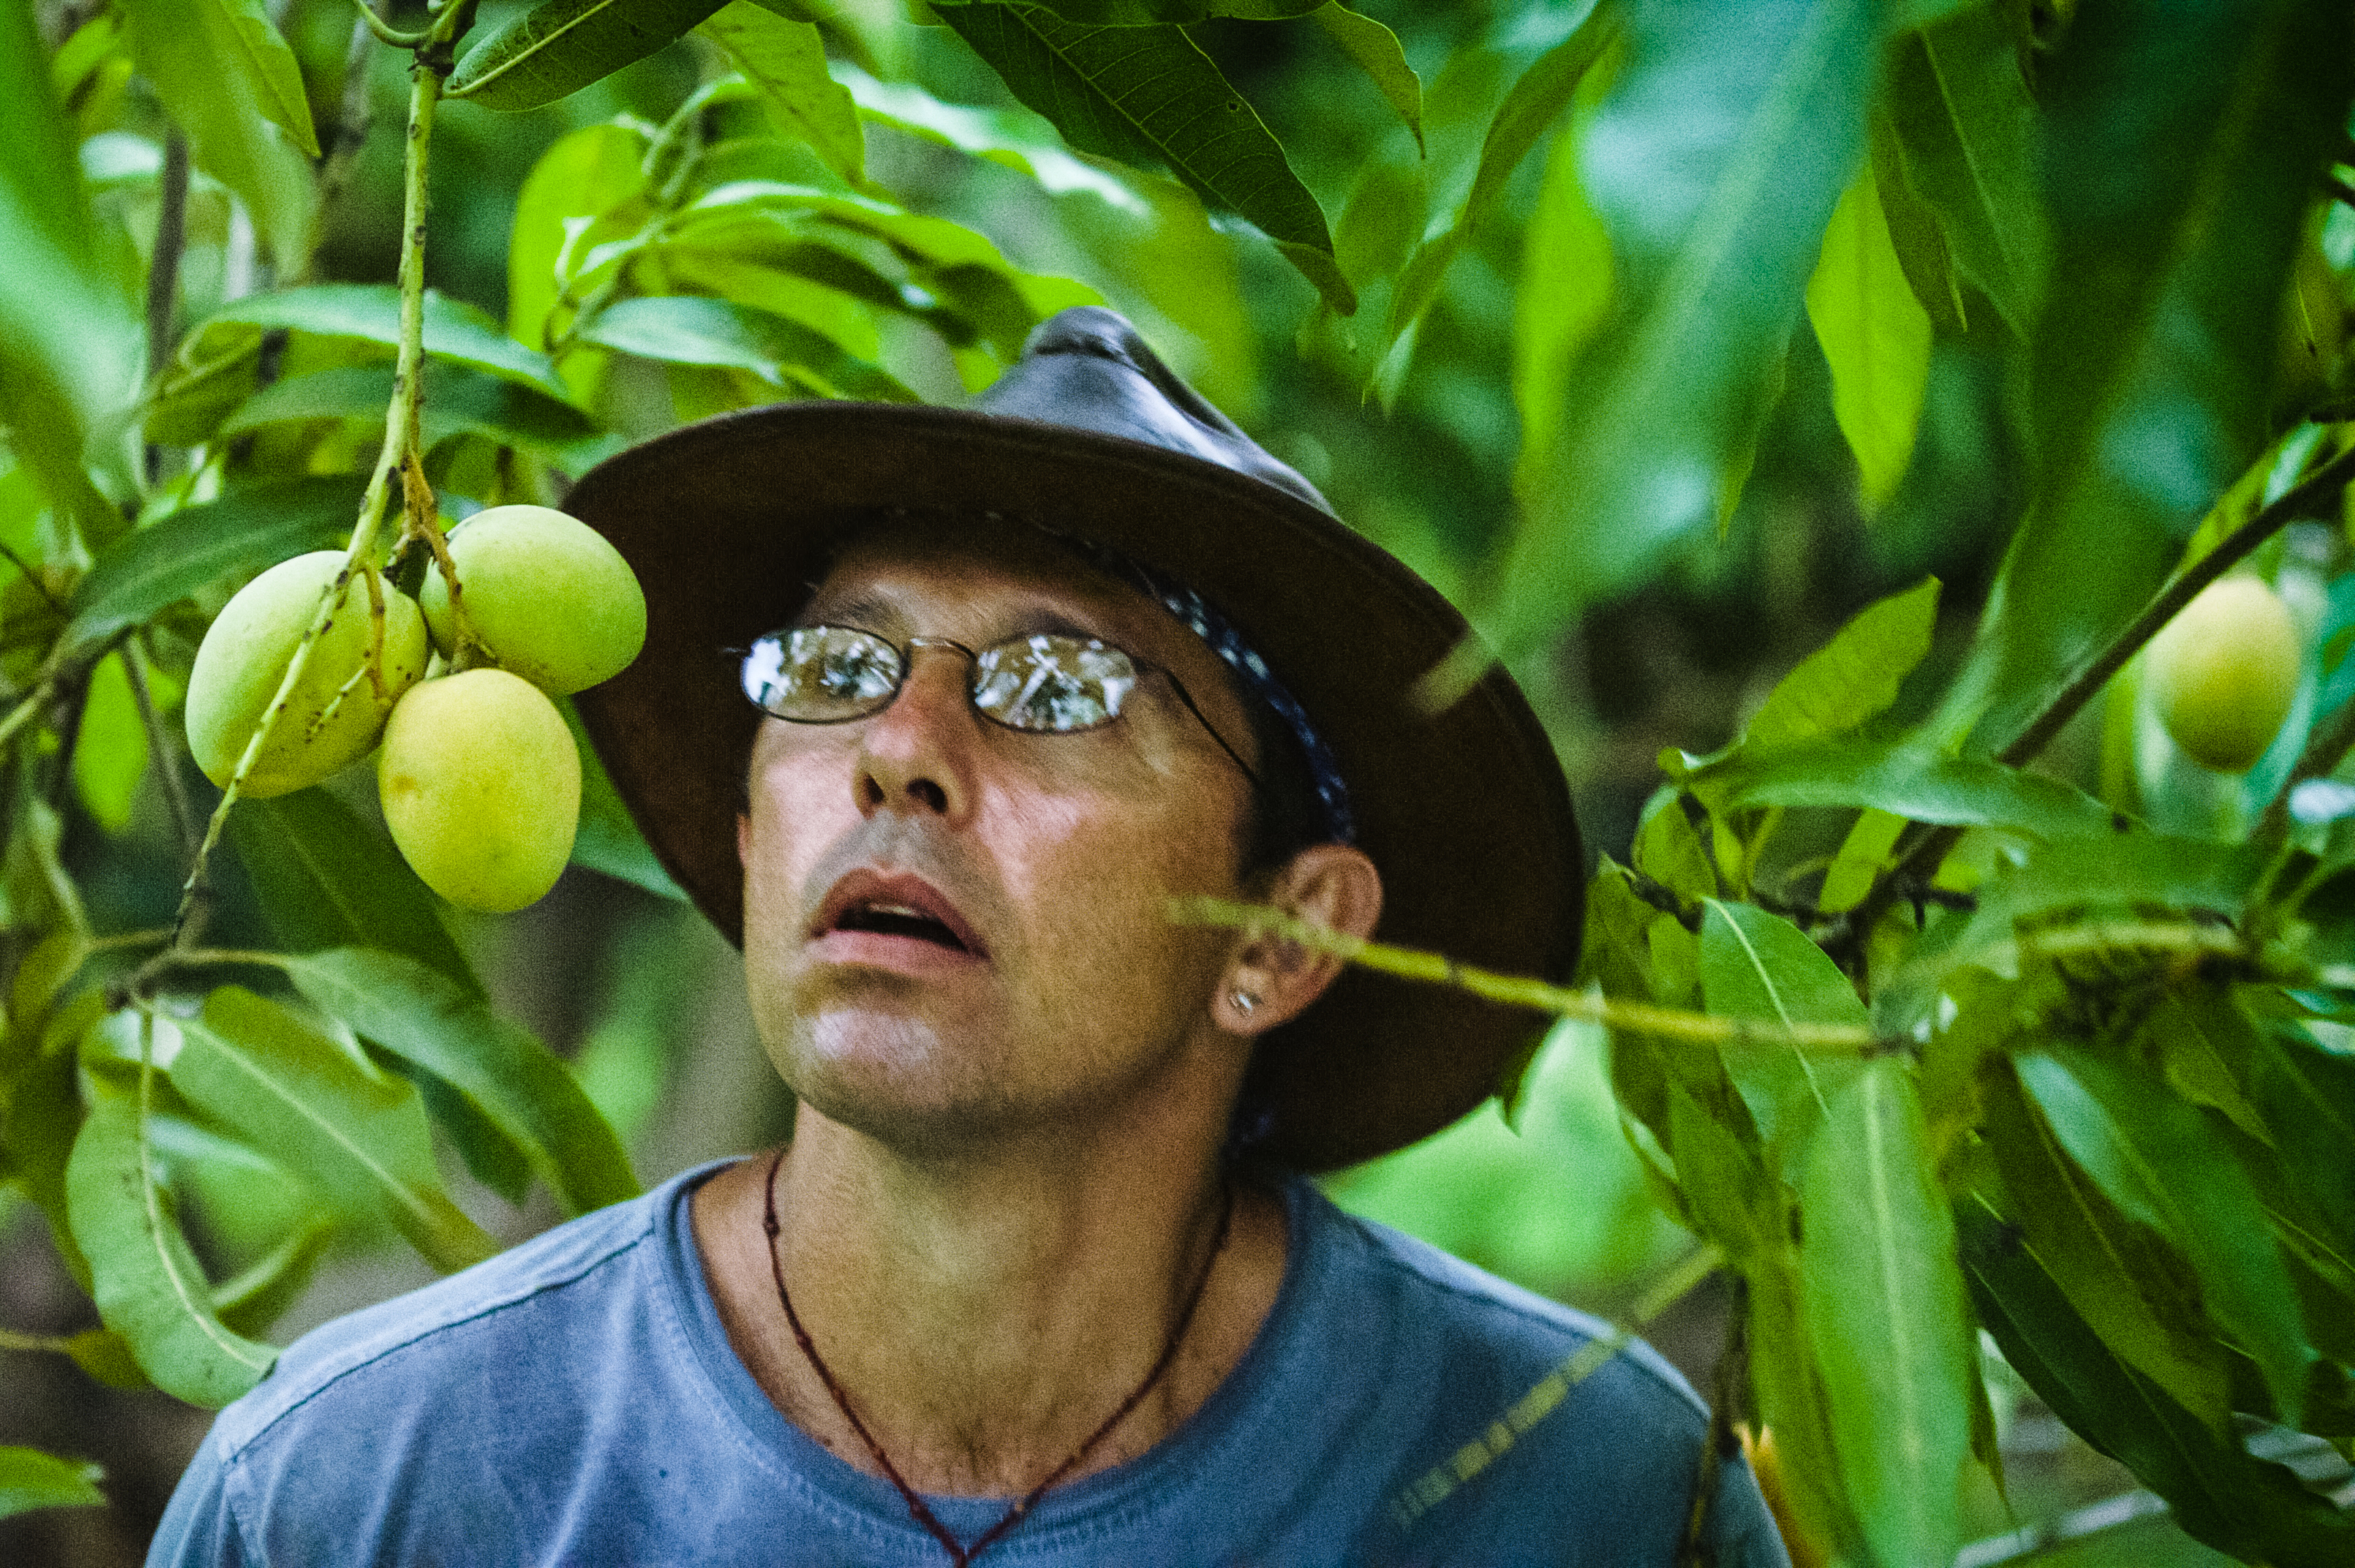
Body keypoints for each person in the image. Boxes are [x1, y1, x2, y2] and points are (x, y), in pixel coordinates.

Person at [145, 308, 1788, 1565]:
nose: (899, 746)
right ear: (743, 834)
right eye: (836, 671)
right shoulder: (356, 1496)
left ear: (1281, 939)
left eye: (1055, 690)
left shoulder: (1588, 1497)